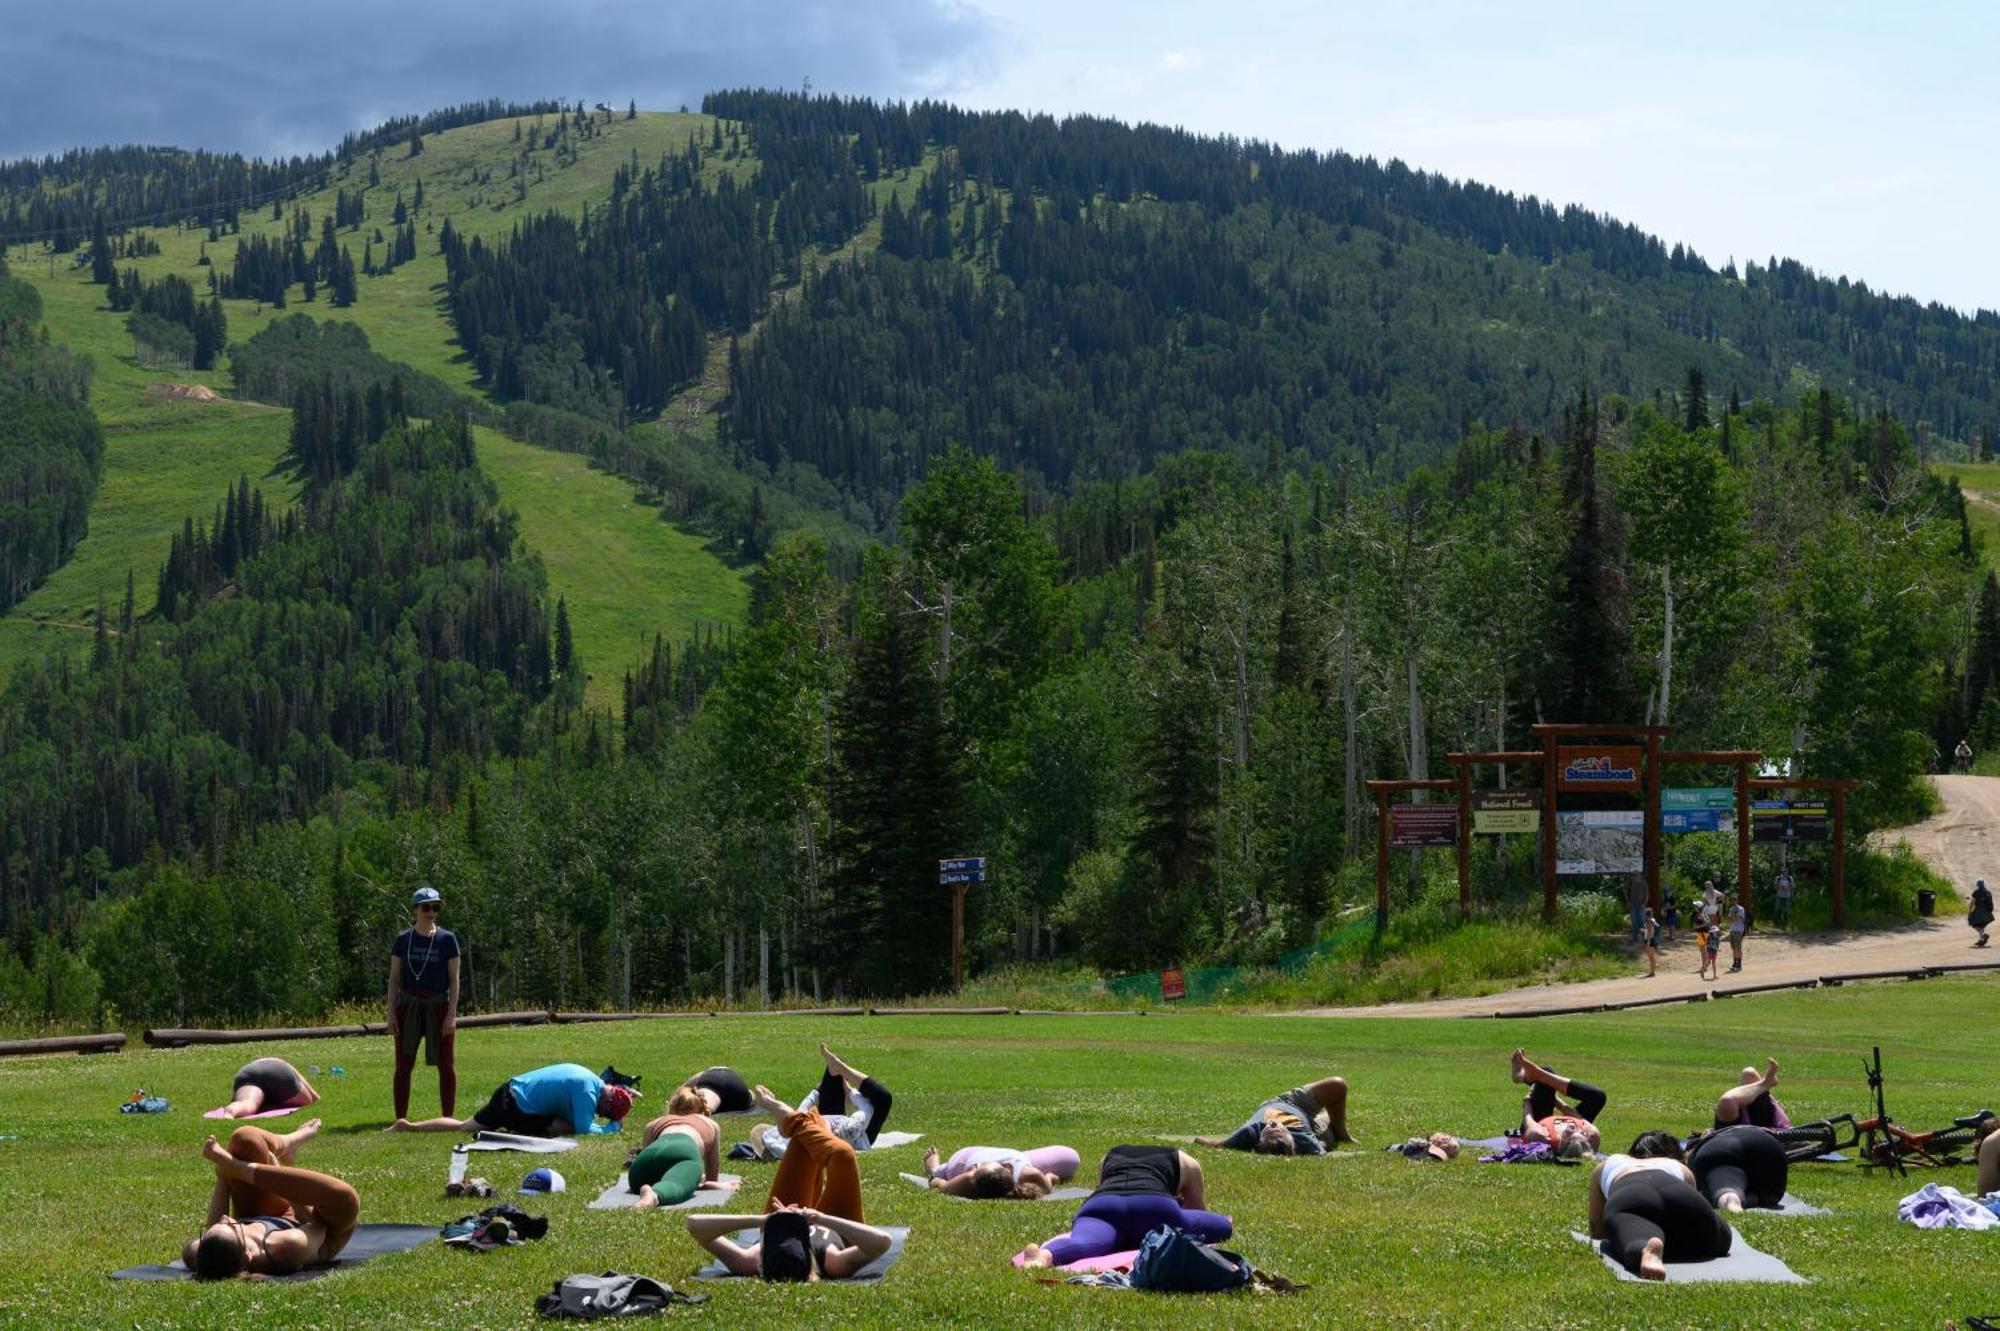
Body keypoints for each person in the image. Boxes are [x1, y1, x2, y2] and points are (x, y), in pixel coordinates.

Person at [685, 1084, 894, 1280]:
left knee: (803, 1143)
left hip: (780, 1211)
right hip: (834, 1219)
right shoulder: (832, 1263)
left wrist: (769, 1221)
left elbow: (695, 1225)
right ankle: (794, 1120)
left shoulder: (750, 1261)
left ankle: (802, 1122)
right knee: (843, 1154)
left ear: (761, 1264)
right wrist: (818, 1218)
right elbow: (881, 1242)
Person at [182, 1121, 359, 1279]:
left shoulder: (197, 1252)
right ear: (247, 1256)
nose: (225, 1218)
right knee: (345, 1197)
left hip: (261, 1213)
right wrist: (277, 1173)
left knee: (245, 1138)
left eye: (211, 1230)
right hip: (317, 1231)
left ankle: (288, 1143)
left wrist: (223, 1174)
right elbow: (319, 1225)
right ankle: (240, 1168)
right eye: (232, 1226)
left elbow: (215, 1227)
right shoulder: (287, 1246)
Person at [1016, 1144, 1228, 1269]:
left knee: (1084, 1241)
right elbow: (1198, 1212)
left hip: (1102, 1204)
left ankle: (1042, 1257)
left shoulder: (1108, 1157)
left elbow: (1105, 1187)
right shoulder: (1186, 1161)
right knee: (1222, 1226)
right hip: (1154, 1206)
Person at [1589, 1131, 1734, 1279]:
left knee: (1631, 1236)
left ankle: (1645, 1248)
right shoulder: (1678, 1166)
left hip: (1630, 1192)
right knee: (1719, 1238)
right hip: (1676, 1189)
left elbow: (1598, 1233)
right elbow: (1691, 1213)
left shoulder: (1607, 1165)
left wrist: (1618, 1230)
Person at [387, 1062, 634, 1136]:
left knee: (465, 1126)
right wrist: (611, 1127)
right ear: (607, 1102)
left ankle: (409, 1126)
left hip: (507, 1091)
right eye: (603, 1113)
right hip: (518, 1108)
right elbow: (583, 1129)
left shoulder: (588, 1077)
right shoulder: (587, 1092)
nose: (598, 1114)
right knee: (568, 1126)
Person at [387, 885, 459, 1123]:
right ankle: (400, 1118)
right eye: (426, 908)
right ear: (415, 910)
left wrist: (451, 1015)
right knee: (403, 1064)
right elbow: (394, 979)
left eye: (435, 908)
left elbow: (454, 980)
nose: (431, 913)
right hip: (409, 1006)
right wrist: (391, 1013)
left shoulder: (448, 939)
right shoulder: (402, 940)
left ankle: (448, 1117)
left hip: (438, 1005)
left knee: (446, 1064)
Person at [751, 1044, 893, 1160]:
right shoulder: (838, 1133)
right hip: (854, 1135)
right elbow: (864, 1112)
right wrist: (851, 1093)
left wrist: (818, 1091)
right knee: (883, 1099)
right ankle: (841, 1069)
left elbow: (800, 1113)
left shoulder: (801, 1132)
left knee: (835, 1075)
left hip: (826, 1122)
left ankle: (838, 1069)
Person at [626, 1088, 739, 1209]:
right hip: (683, 1150)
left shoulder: (653, 1123)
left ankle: (648, 1187)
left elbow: (648, 1154)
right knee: (677, 1185)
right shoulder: (711, 1124)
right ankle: (654, 1196)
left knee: (645, 1177)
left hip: (642, 1164)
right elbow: (712, 1176)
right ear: (702, 1109)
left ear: (671, 1108)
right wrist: (700, 1181)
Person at [1190, 1075, 1353, 1155]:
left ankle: (1336, 1125)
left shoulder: (1252, 1131)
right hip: (1312, 1127)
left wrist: (1201, 1140)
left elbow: (1219, 1144)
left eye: (1269, 1130)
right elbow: (1321, 1151)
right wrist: (1322, 1142)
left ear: (1260, 1137)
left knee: (1337, 1085)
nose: (1273, 1124)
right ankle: (1341, 1133)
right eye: (1278, 1131)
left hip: (1289, 1102)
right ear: (1291, 1139)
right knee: (1328, 1127)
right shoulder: (1306, 1141)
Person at [1512, 1049, 1605, 1158]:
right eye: (1579, 1132)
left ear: (1562, 1141)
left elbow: (1529, 1120)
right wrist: (1556, 1101)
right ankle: (1537, 1075)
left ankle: (1521, 1077)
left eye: (1569, 1132)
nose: (1572, 1127)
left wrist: (1527, 1101)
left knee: (1547, 1072)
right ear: (1585, 1137)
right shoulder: (1591, 1135)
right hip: (1568, 1132)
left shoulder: (1541, 1136)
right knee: (1598, 1097)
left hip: (1539, 1120)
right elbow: (1573, 1114)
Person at [1682, 1126, 1789, 1212]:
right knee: (1768, 1199)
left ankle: (1735, 1201)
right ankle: (1750, 1196)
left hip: (1720, 1150)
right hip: (1769, 1146)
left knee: (1728, 1194)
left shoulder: (1702, 1158)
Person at [921, 1144, 1081, 1199]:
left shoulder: (968, 1177)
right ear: (1007, 1168)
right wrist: (1051, 1177)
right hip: (1020, 1157)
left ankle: (936, 1166)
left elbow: (939, 1184)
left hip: (965, 1156)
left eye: (978, 1167)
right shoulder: (1030, 1175)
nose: (984, 1163)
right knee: (1071, 1158)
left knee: (938, 1172)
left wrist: (936, 1176)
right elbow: (1049, 1181)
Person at [219, 1058, 320, 1119]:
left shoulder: (261, 1063)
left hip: (247, 1072)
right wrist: (315, 1096)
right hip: (279, 1070)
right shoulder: (282, 1065)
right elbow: (312, 1097)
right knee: (307, 1101)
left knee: (247, 1102)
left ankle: (230, 1113)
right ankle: (264, 1105)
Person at [1713, 1058, 1790, 1131]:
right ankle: (1765, 1085)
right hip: (1759, 1132)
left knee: (1728, 1102)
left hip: (1757, 1135)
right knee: (1749, 1074)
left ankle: (1765, 1085)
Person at [682, 1066, 753, 1114]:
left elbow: (683, 1089)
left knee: (706, 1106)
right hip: (739, 1090)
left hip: (713, 1081)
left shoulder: (706, 1076)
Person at [1970, 878, 1994, 948]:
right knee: (1981, 926)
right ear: (1983, 884)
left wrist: (1970, 910)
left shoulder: (1976, 892)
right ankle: (1981, 939)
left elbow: (1972, 902)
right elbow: (1991, 903)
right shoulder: (1988, 892)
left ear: (1977, 885)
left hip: (1978, 911)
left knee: (1973, 924)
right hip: (1987, 912)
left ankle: (1983, 935)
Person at [1727, 901, 1747, 974]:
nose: (1734, 902)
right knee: (1734, 948)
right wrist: (1733, 915)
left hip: (1739, 930)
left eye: (1735, 900)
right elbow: (1730, 920)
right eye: (1733, 900)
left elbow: (1739, 918)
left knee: (1738, 947)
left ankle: (1739, 963)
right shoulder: (1731, 909)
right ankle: (1735, 962)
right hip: (1732, 930)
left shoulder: (1741, 909)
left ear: (1737, 901)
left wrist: (1734, 915)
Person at [1642, 906, 1660, 978]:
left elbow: (1649, 933)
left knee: (1650, 957)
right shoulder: (1653, 920)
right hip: (1653, 939)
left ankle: (1652, 972)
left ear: (1646, 914)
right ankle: (1653, 969)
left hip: (1650, 939)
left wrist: (1648, 943)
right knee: (1651, 957)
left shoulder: (1648, 922)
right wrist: (1643, 930)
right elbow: (1651, 930)